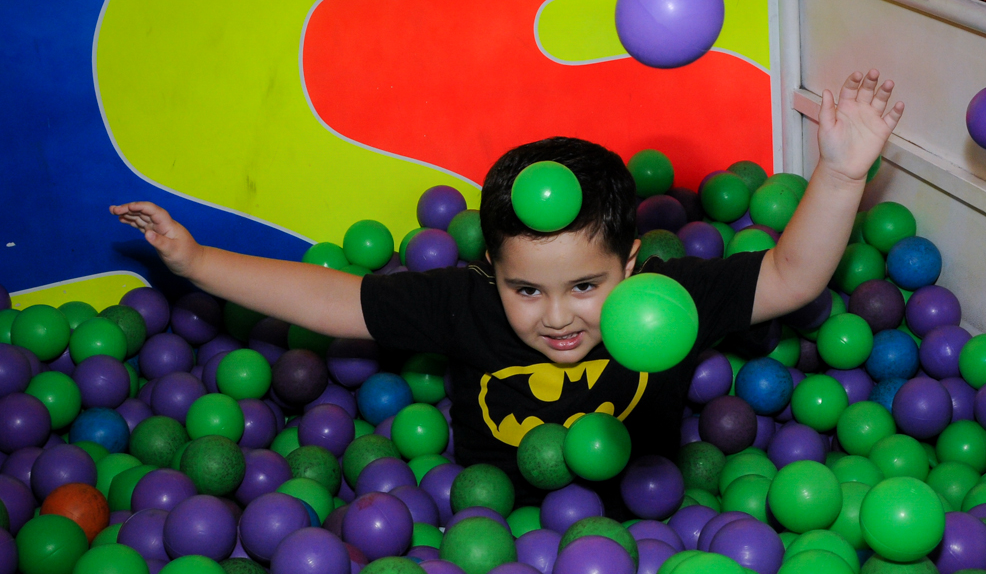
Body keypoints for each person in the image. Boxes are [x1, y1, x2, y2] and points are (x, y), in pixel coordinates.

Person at [112, 69, 903, 509]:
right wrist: (198, 263)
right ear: (491, 270)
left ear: (632, 263)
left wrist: (839, 172)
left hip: (647, 521)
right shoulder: (462, 301)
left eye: (588, 285)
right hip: (492, 528)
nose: (559, 316)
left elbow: (792, 276)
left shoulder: (667, 304)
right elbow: (332, 299)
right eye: (527, 290)